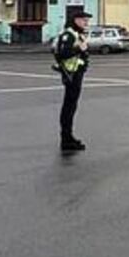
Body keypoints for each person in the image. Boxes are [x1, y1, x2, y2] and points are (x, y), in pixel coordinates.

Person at [53, 9, 92, 153]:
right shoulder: (68, 35)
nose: (86, 22)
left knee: (72, 106)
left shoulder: (77, 34)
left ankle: (69, 137)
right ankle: (66, 139)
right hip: (71, 75)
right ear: (76, 20)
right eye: (84, 20)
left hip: (77, 74)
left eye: (87, 20)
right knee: (68, 107)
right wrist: (78, 49)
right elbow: (62, 54)